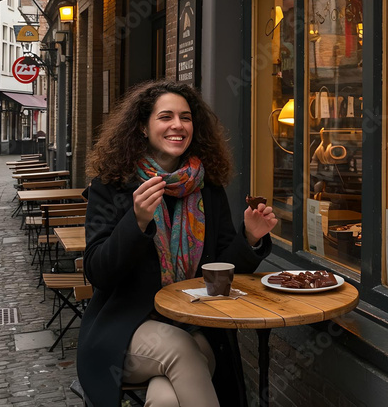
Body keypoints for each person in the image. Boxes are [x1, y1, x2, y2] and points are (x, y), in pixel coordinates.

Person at [77, 80, 277, 407]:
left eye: (185, 117)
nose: (178, 125)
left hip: (194, 324)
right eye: (165, 116)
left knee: (168, 398)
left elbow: (221, 273)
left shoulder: (208, 188)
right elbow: (99, 272)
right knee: (180, 348)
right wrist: (136, 221)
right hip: (125, 332)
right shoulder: (112, 186)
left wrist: (250, 237)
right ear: (143, 127)